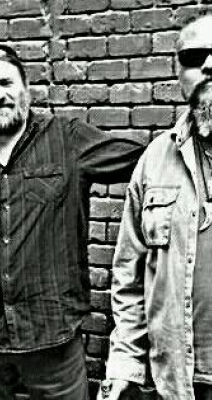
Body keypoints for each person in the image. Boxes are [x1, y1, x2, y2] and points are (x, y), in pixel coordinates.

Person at [0, 44, 148, 400]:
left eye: (6, 83)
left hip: (52, 340)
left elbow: (142, 160)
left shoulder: (66, 139)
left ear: (26, 89)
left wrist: (186, 137)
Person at [97, 14, 212, 400]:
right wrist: (124, 368)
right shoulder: (154, 161)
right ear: (178, 72)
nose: (209, 65)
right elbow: (129, 279)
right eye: (194, 57)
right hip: (178, 384)